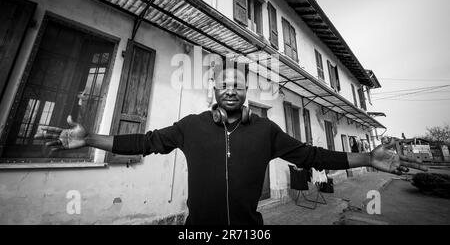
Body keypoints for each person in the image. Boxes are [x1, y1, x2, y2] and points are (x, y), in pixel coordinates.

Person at [36, 59, 427, 225]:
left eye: (237, 85)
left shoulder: (266, 132)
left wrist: (366, 160)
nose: (230, 90)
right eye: (223, 84)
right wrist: (92, 140)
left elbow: (313, 154)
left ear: (245, 91)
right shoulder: (190, 126)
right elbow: (145, 141)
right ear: (214, 89)